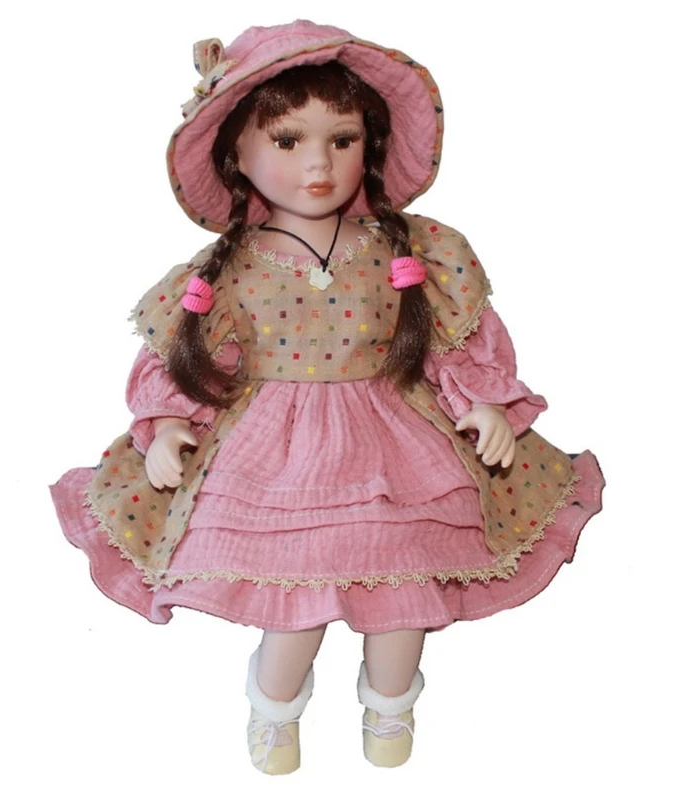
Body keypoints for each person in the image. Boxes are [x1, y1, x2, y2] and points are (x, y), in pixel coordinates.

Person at [50, 20, 604, 775]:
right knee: (294, 604)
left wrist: (482, 404)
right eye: (287, 141)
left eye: (342, 140)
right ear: (236, 155)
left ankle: (391, 703)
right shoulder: (226, 271)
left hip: (397, 445)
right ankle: (274, 711)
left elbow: (447, 342)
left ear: (368, 147)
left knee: (405, 592)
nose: (319, 163)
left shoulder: (408, 250)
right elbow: (191, 361)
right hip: (277, 459)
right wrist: (171, 424)